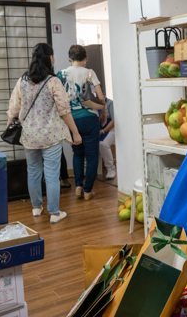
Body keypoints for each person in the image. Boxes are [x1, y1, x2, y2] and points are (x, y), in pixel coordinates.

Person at [7, 43, 82, 224]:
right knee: (51, 174)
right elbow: (64, 110)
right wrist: (75, 133)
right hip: (51, 135)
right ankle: (54, 213)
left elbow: (14, 108)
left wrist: (9, 125)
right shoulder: (53, 81)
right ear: (50, 58)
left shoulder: (22, 81)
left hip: (29, 136)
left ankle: (36, 207)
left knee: (33, 172)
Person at [57, 45, 106, 201]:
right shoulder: (89, 73)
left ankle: (78, 186)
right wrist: (103, 112)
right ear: (85, 58)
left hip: (71, 120)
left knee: (77, 154)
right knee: (92, 156)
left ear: (70, 59)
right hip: (90, 118)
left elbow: (58, 99)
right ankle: (87, 190)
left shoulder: (61, 74)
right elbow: (100, 97)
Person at [99, 98, 116, 180]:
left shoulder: (110, 103)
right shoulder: (92, 104)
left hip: (110, 129)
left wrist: (102, 131)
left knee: (103, 144)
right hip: (98, 128)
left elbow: (114, 120)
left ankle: (110, 169)